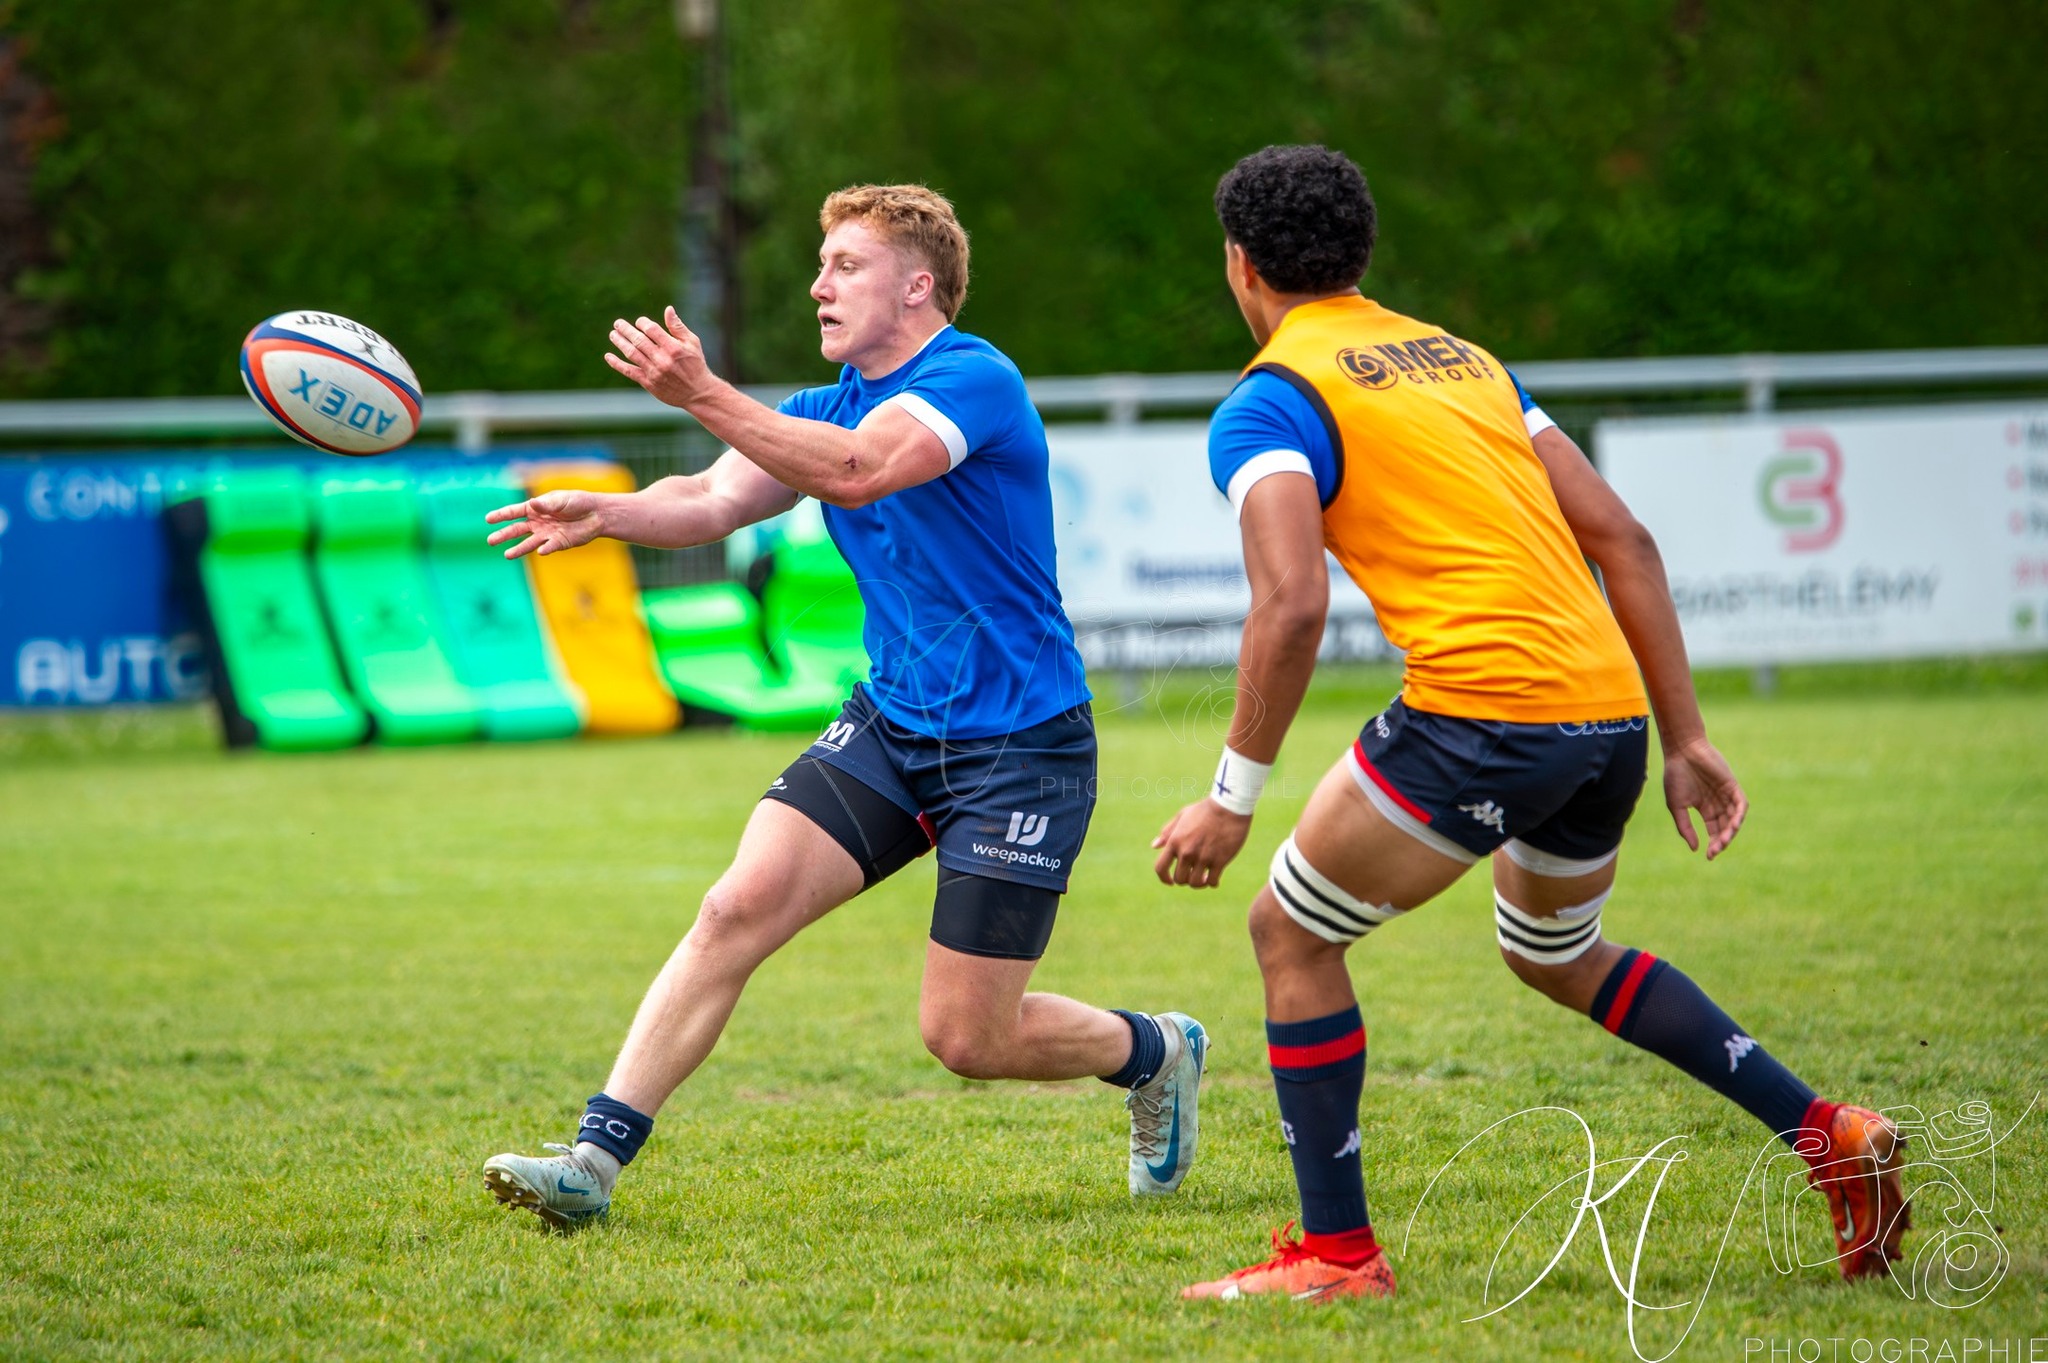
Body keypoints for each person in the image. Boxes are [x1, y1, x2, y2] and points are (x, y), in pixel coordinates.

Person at [1152, 145, 1907, 1301]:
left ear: (1239, 265)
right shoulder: (1465, 361)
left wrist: (1228, 796)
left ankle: (1338, 1257)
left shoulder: (1271, 400)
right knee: (1553, 952)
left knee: (1291, 936)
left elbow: (1290, 600)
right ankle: (1827, 1134)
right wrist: (1687, 736)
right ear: (1359, 256)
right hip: (1605, 718)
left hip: (1483, 713)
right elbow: (1625, 541)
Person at [477, 184, 1207, 1229]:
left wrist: (703, 391)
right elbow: (712, 498)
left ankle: (1155, 1051)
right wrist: (607, 511)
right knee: (734, 907)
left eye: (844, 266)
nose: (817, 285)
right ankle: (590, 1164)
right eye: (818, 266)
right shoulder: (824, 407)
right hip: (892, 724)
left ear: (917, 286)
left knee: (966, 1038)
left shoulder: (972, 379)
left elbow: (864, 473)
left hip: (1018, 749)